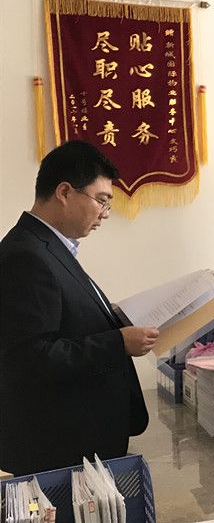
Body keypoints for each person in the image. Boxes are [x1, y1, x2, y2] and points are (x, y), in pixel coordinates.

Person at [0, 140, 159, 475]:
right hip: (58, 445)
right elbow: (30, 357)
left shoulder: (48, 246)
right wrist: (119, 342)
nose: (105, 213)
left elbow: (61, 318)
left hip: (79, 434)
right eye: (101, 200)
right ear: (64, 192)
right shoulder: (26, 255)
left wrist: (111, 317)